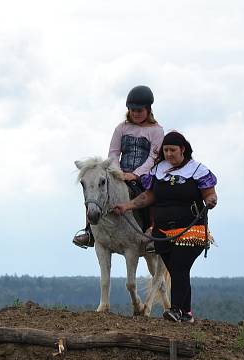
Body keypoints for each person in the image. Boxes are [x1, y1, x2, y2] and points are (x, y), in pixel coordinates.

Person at [111, 131, 217, 323]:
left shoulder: (198, 170)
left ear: (183, 150)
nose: (169, 154)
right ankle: (186, 314)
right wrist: (127, 206)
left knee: (179, 267)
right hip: (163, 233)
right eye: (166, 150)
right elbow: (149, 196)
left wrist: (211, 200)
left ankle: (175, 310)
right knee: (178, 271)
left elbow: (209, 193)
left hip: (190, 231)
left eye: (172, 150)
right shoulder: (158, 170)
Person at [73, 85, 164, 248]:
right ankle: (90, 232)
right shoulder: (121, 128)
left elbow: (153, 157)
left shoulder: (156, 131)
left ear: (148, 109)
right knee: (95, 190)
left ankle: (151, 230)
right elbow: (114, 153)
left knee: (152, 194)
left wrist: (136, 174)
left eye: (139, 110)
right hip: (120, 172)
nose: (135, 113)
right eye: (132, 110)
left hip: (145, 174)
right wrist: (119, 172)